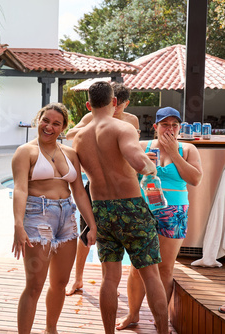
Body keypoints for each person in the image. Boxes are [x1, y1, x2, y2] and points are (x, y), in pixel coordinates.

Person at [72, 81, 168, 334]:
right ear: (114, 102)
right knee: (151, 276)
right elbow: (139, 163)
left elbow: (77, 181)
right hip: (132, 208)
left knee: (109, 279)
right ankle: (161, 330)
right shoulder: (122, 127)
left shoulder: (79, 138)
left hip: (101, 210)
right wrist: (151, 168)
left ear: (88, 105)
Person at [11, 103, 97, 334]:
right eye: (45, 120)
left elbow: (79, 191)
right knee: (35, 285)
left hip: (66, 216)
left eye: (56, 123)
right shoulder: (25, 152)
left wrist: (91, 224)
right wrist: (18, 225)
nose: (49, 126)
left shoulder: (70, 154)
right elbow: (20, 189)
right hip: (38, 215)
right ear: (38, 120)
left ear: (63, 128)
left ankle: (51, 329)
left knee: (59, 283)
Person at [116, 107, 202, 330]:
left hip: (174, 212)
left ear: (180, 127)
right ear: (155, 127)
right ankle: (133, 314)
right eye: (165, 124)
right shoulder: (142, 146)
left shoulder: (188, 148)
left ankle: (159, 318)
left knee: (165, 268)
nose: (170, 129)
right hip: (144, 209)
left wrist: (174, 153)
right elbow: (124, 176)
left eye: (175, 125)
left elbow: (195, 179)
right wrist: (142, 165)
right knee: (137, 267)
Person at [65, 82, 140, 296]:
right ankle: (78, 278)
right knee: (86, 234)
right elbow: (71, 134)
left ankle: (110, 283)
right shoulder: (92, 118)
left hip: (125, 190)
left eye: (118, 106)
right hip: (96, 188)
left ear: (123, 103)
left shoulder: (131, 121)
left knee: (120, 239)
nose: (113, 109)